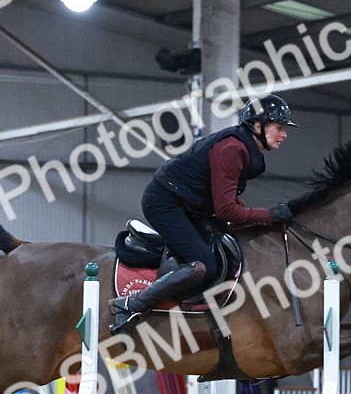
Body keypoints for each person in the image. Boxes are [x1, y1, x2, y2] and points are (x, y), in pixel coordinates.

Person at [109, 94, 299, 334]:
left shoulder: (246, 149)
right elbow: (226, 209)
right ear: (257, 125)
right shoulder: (232, 149)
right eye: (279, 128)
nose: (284, 134)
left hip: (189, 204)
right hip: (165, 202)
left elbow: (227, 202)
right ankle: (131, 305)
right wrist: (269, 216)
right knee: (202, 265)